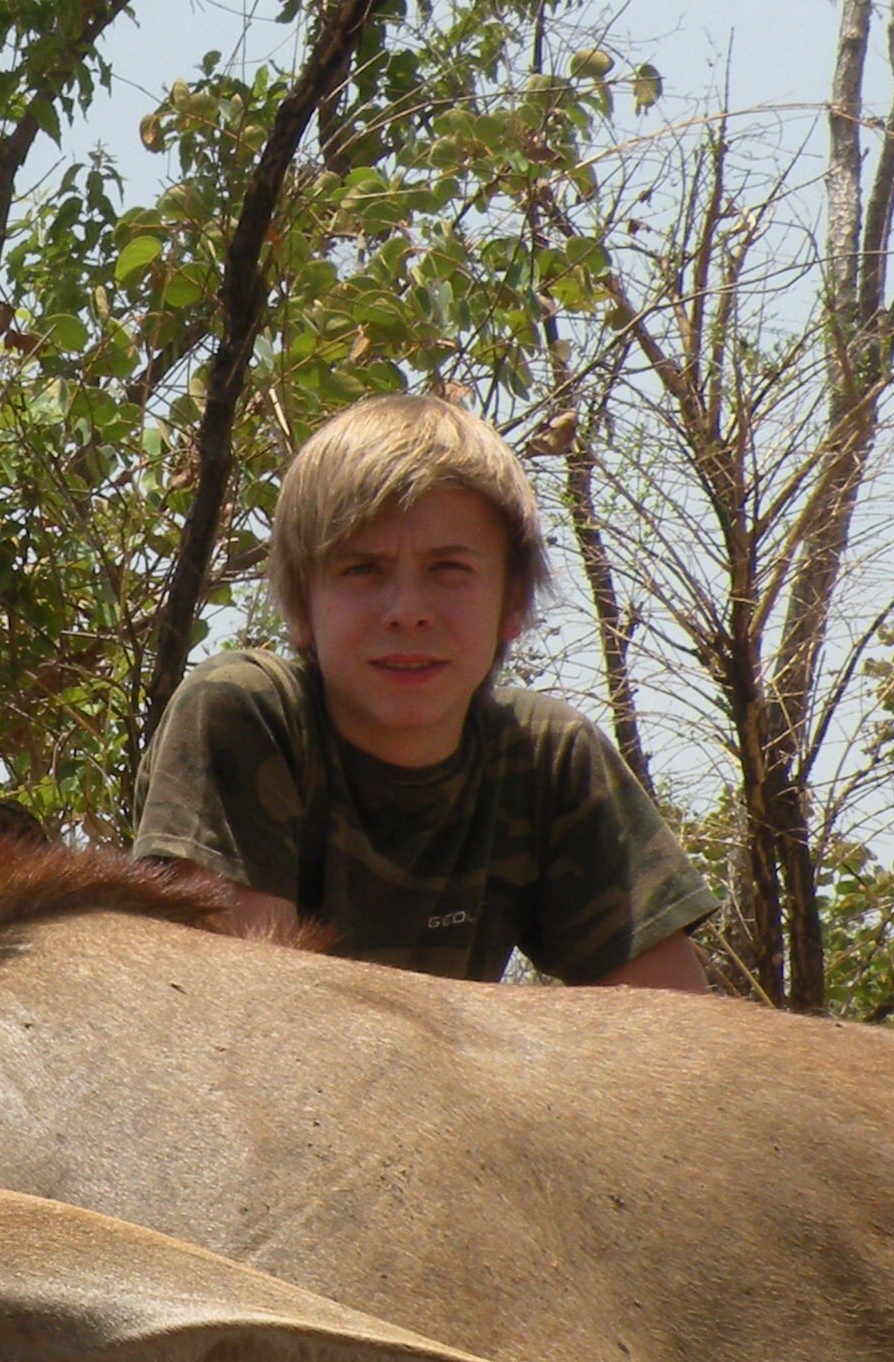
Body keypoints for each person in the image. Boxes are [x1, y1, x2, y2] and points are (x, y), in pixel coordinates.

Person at [131, 392, 717, 988]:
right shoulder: (248, 712)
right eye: (363, 569)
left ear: (511, 603)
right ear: (302, 607)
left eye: (448, 570)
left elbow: (676, 1036)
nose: (407, 612)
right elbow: (253, 1024)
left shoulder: (550, 756)